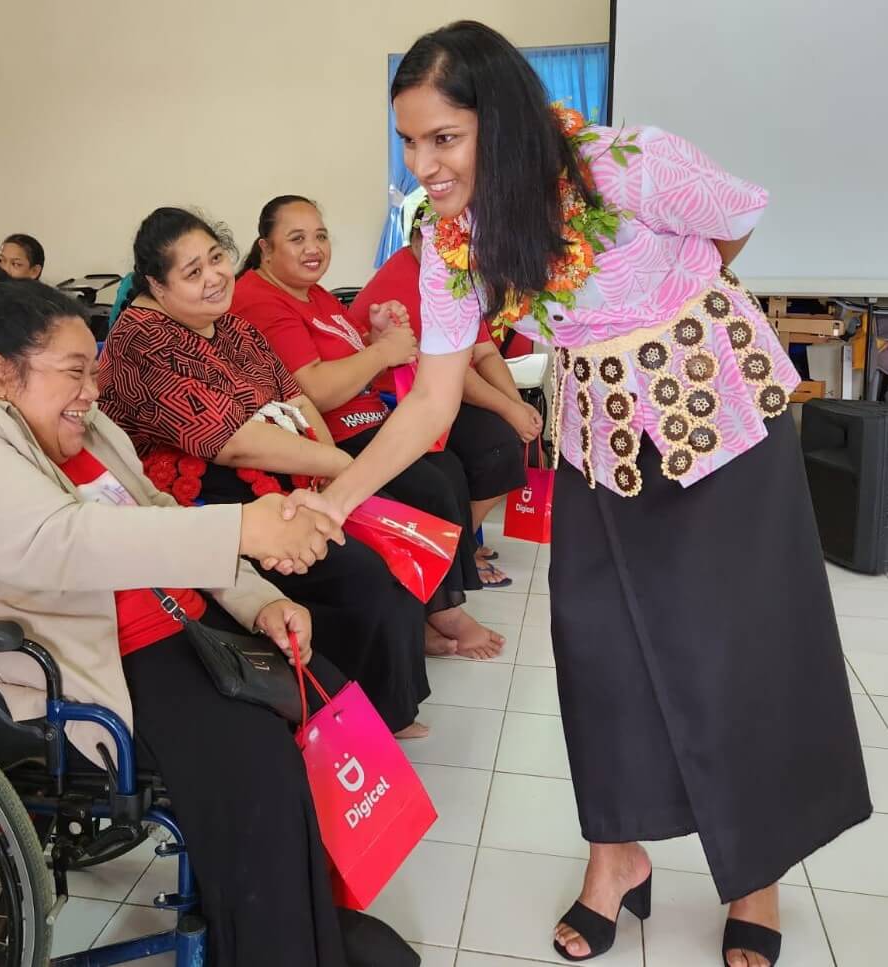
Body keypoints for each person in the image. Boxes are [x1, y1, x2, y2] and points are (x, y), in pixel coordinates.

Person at [285, 21, 870, 967]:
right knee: (596, 649)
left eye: (444, 138)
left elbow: (736, 216)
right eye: (409, 141)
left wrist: (679, 301)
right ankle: (616, 858)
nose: (422, 163)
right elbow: (432, 396)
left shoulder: (626, 166)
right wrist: (336, 497)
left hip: (717, 426)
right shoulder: (453, 243)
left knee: (735, 652)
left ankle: (755, 874)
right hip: (604, 447)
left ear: (503, 119)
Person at [0, 260, 415, 967]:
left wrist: (261, 601)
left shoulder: (81, 426)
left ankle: (304, 920)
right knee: (255, 764)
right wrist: (242, 529)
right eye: (74, 371)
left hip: (163, 622)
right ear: (0, 373)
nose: (92, 392)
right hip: (62, 658)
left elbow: (155, 513)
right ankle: (278, 942)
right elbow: (53, 543)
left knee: (325, 696)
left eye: (92, 370)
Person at [99, 208, 431, 736]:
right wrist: (340, 464)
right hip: (203, 501)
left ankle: (381, 701)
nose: (214, 277)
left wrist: (334, 479)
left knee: (378, 544)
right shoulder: (143, 341)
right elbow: (228, 442)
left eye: (216, 259)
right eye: (192, 272)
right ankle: (361, 711)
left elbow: (295, 398)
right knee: (357, 572)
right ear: (157, 286)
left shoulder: (230, 327)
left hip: (279, 476)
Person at [232, 197, 503, 657]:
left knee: (450, 470)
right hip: (333, 435)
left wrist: (375, 336)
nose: (313, 247)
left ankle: (429, 607)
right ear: (265, 248)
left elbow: (353, 358)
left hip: (370, 417)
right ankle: (441, 611)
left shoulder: (313, 292)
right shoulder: (260, 299)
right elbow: (315, 389)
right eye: (296, 238)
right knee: (432, 485)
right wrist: (384, 351)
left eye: (320, 236)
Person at [349, 208, 538, 585]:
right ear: (422, 237)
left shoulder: (453, 275)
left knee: (504, 431)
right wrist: (511, 411)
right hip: (399, 397)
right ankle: (459, 550)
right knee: (497, 444)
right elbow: (451, 372)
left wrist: (517, 405)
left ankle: (461, 543)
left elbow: (484, 353)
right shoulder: (407, 278)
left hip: (439, 388)